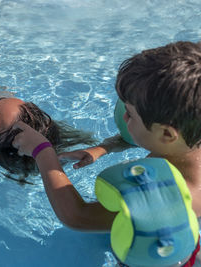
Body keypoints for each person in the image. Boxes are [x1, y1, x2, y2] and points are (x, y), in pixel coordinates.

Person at [11, 41, 201, 266]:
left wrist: (42, 152)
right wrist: (104, 148)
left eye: (130, 115)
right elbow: (147, 139)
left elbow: (77, 216)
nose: (123, 119)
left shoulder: (171, 195)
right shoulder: (187, 138)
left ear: (167, 134)